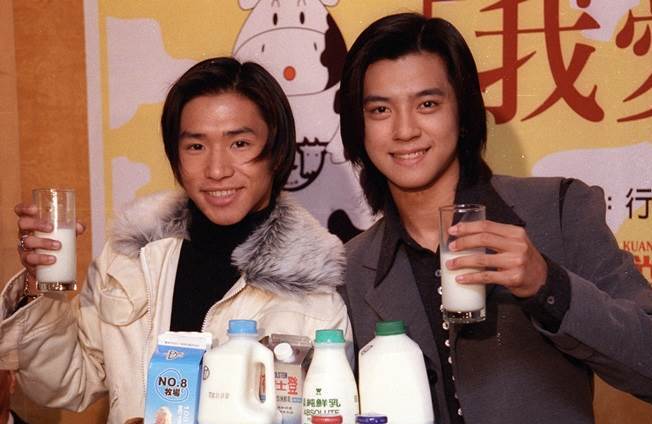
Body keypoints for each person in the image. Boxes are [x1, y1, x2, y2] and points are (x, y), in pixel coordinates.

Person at [338, 12, 652, 424]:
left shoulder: (557, 211)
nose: (405, 130)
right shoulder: (350, 270)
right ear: (358, 126)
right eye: (380, 110)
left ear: (463, 113)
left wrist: (548, 285)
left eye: (427, 104)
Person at [0, 57, 351, 424]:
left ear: (276, 154)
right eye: (196, 147)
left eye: (240, 143)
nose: (217, 170)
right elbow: (64, 384)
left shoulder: (316, 298)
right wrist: (38, 286)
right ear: (175, 157)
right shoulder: (131, 259)